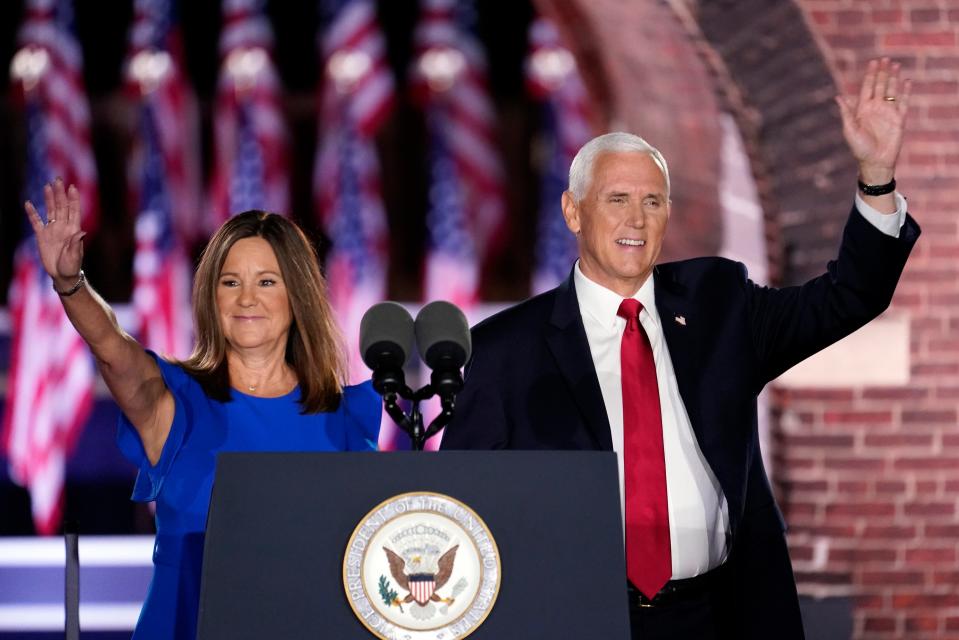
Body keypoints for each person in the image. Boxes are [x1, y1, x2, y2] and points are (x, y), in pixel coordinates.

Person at [440, 58, 919, 639]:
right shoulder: (506, 349)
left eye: (653, 201)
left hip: (718, 616)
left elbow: (849, 297)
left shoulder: (722, 302)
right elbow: (463, 508)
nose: (636, 219)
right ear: (573, 211)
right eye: (616, 198)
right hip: (573, 619)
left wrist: (875, 175)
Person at [25, 184, 381, 640]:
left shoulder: (345, 417)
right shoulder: (175, 401)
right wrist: (70, 285)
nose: (246, 298)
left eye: (266, 282)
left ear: (299, 297)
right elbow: (114, 350)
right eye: (230, 282)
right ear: (212, 296)